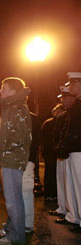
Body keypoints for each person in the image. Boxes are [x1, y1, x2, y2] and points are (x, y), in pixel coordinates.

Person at [0, 77, 32, 245]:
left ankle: (16, 235)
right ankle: (10, 228)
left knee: (13, 199)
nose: (0, 91)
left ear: (13, 91)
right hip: (9, 158)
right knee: (11, 197)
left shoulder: (18, 109)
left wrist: (4, 148)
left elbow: (22, 136)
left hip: (12, 159)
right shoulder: (11, 107)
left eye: (3, 88)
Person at [50, 85, 77, 223]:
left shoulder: (73, 112)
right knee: (65, 183)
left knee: (74, 185)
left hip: (73, 150)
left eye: (66, 96)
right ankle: (67, 210)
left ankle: (73, 214)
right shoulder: (66, 114)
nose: (63, 100)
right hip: (66, 150)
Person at [59, 72, 81, 233]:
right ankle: (77, 217)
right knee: (76, 185)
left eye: (74, 84)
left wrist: (67, 144)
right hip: (75, 149)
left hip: (78, 149)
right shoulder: (78, 104)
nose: (71, 87)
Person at [22, 111, 41, 233]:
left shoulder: (30, 118)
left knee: (26, 191)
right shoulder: (28, 117)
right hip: (23, 158)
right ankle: (18, 221)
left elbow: (32, 141)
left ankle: (27, 224)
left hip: (26, 159)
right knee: (19, 193)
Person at [41, 104, 65, 202]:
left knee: (57, 174)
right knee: (50, 173)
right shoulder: (48, 123)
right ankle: (49, 193)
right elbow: (43, 138)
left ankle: (55, 194)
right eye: (57, 111)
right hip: (50, 152)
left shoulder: (62, 122)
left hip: (57, 153)